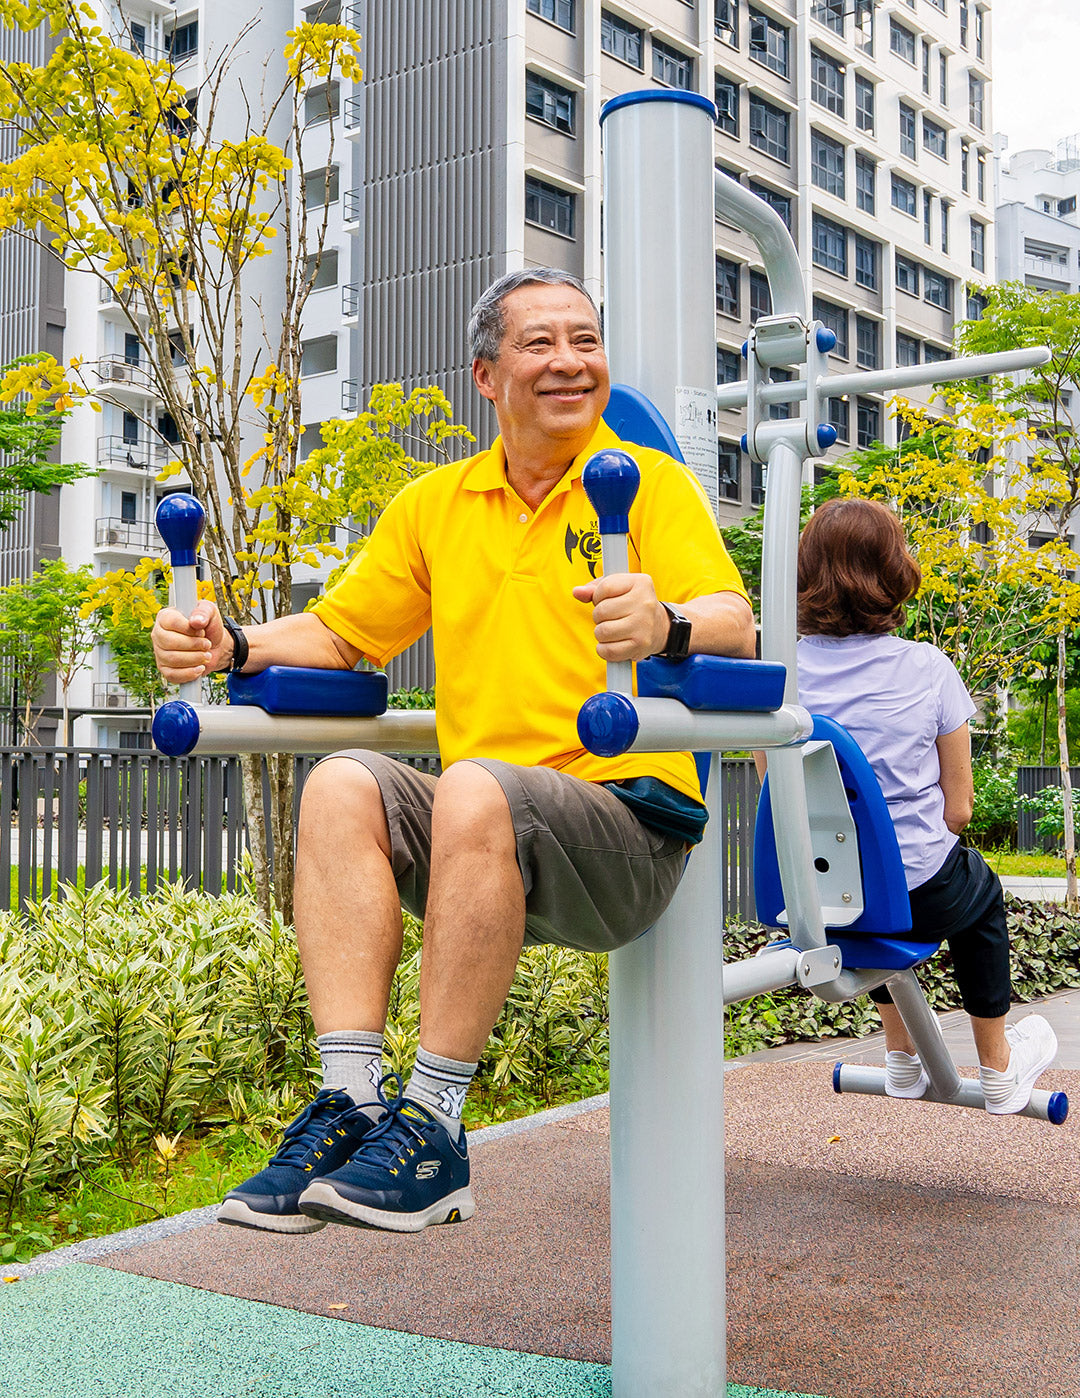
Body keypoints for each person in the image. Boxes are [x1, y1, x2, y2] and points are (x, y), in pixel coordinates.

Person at [152, 267, 756, 1235]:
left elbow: (735, 620)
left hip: (626, 830)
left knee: (473, 784)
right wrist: (232, 646)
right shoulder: (438, 504)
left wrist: (668, 619)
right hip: (489, 829)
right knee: (343, 783)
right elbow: (344, 635)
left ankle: (433, 1123)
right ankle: (351, 1102)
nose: (570, 361)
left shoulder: (647, 487)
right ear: (486, 375)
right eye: (541, 343)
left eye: (586, 341)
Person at [792, 496, 1057, 1111]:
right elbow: (959, 811)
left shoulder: (781, 673)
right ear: (892, 572)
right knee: (981, 896)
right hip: (914, 891)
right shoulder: (927, 667)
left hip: (816, 893)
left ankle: (901, 1059)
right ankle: (998, 1068)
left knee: (874, 896)